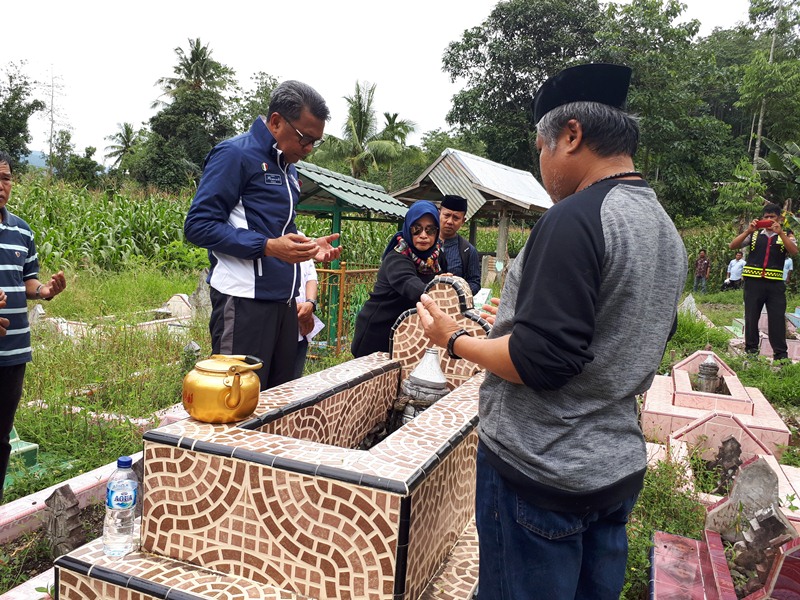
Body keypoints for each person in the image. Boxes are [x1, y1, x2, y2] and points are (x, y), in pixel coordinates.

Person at [415, 63, 686, 599]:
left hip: (541, 472)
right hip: (611, 468)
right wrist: (511, 328)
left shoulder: (574, 219)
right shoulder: (662, 226)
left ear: (571, 135)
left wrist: (452, 338)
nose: (541, 165)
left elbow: (541, 362)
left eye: (541, 148)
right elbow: (620, 333)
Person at [184, 80, 341, 390]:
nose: (308, 149)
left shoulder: (290, 168)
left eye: (315, 142)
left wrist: (309, 246)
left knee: (277, 399)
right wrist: (268, 247)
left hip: (284, 305)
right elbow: (198, 225)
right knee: (237, 401)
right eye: (304, 138)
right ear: (276, 122)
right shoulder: (234, 155)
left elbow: (280, 230)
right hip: (243, 303)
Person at [0, 151, 67, 502]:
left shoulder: (21, 231)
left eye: (6, 178)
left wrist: (44, 290)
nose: (1, 186)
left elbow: (27, 281)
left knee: (2, 436)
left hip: (13, 350)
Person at [351, 201, 446, 358]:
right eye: (417, 229)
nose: (423, 235)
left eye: (430, 230)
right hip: (377, 333)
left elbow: (446, 279)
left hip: (408, 334)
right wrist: (441, 290)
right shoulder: (397, 258)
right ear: (408, 229)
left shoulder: (436, 258)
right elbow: (411, 286)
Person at [729, 204, 798, 361]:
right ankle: (751, 352)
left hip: (775, 284)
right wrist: (748, 230)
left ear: (779, 218)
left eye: (772, 217)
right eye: (765, 217)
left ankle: (781, 356)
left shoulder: (786, 235)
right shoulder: (754, 235)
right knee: (751, 317)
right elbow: (733, 246)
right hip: (753, 283)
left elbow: (794, 251)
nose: (768, 220)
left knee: (777, 319)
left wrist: (780, 233)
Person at [438, 195, 481, 295]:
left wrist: (458, 292)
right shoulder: (424, 243)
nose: (449, 221)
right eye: (446, 215)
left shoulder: (468, 250)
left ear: (463, 221)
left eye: (456, 218)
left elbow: (475, 282)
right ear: (439, 214)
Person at [294, 255, 323, 379]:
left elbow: (311, 277)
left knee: (294, 378)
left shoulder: (301, 239)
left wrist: (309, 304)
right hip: (281, 319)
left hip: (303, 325)